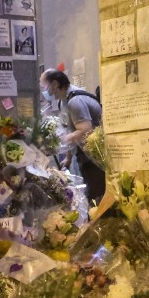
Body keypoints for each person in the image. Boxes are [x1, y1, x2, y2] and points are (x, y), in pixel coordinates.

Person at [44, 70, 105, 203]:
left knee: (96, 197)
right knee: (92, 194)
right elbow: (71, 128)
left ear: (55, 84)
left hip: (97, 158)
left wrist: (62, 140)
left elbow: (85, 129)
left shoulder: (75, 101)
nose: (45, 91)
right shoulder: (63, 101)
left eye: (45, 86)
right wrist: (68, 157)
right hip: (85, 155)